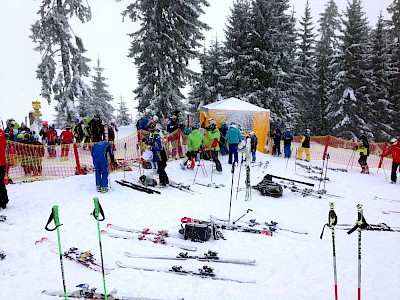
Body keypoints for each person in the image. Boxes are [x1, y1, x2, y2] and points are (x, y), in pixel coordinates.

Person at [146, 120, 169, 186]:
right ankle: (165, 181)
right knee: (160, 168)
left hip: (161, 154)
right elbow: (152, 142)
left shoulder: (156, 134)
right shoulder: (153, 133)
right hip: (158, 154)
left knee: (160, 169)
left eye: (149, 128)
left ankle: (163, 182)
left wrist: (151, 148)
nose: (148, 129)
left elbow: (160, 147)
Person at [0, 127, 9, 209]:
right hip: (2, 162)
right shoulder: (1, 132)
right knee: (1, 183)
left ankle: (3, 201)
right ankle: (3, 201)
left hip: (1, 162)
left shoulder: (1, 133)